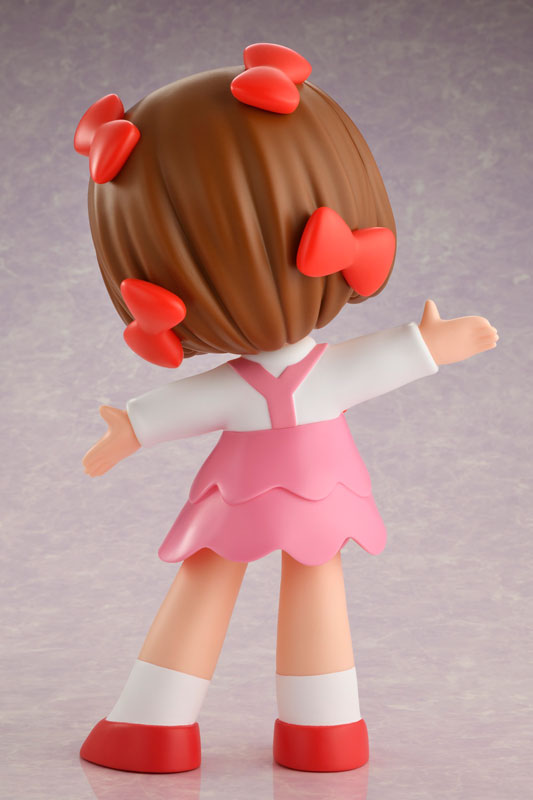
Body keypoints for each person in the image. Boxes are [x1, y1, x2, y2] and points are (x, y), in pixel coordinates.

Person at [75, 43, 498, 773]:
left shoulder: (307, 375)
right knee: (248, 579)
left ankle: (282, 727)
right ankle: (232, 727)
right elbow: (217, 395)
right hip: (273, 484)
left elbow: (239, 390)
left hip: (276, 485)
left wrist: (430, 344)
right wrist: (134, 426)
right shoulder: (302, 376)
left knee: (281, 580)